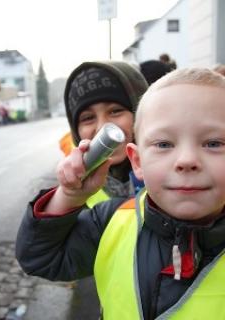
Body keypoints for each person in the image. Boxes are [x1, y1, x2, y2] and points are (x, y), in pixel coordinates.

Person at [16, 67, 225, 319]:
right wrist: (69, 197)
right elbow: (41, 258)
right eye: (164, 144)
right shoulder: (113, 218)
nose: (187, 160)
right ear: (137, 160)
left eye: (214, 143)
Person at [57, 61, 148, 208]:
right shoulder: (72, 184)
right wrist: (68, 197)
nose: (102, 127)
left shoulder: (175, 172)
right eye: (88, 118)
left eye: (115, 111)